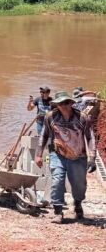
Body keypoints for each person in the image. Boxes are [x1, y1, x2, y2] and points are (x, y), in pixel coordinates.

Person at [36, 91, 97, 223]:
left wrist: (92, 158)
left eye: (66, 102)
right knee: (57, 181)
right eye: (60, 103)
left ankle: (78, 204)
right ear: (56, 105)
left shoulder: (82, 118)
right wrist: (38, 155)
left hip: (78, 156)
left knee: (79, 185)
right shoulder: (50, 117)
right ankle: (58, 211)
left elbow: (90, 137)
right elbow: (44, 135)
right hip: (58, 154)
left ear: (71, 103)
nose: (64, 106)